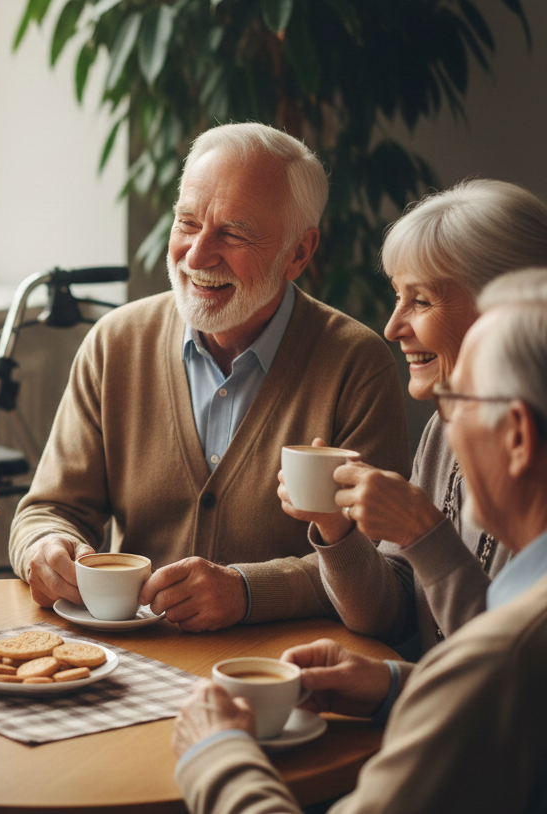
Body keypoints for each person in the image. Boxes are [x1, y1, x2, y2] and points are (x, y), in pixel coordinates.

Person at [173, 268, 547, 814]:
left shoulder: (504, 650)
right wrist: (395, 684)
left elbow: (495, 676)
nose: (445, 425)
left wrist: (215, 755)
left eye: (457, 400)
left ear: (516, 437)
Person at [9, 122, 410, 631]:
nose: (196, 256)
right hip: (135, 658)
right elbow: (47, 509)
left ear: (298, 253)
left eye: (233, 233)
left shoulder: (357, 365)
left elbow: (379, 569)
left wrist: (248, 591)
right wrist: (44, 547)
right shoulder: (115, 343)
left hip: (281, 664)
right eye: (187, 223)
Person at [278, 179, 547, 654]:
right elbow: (396, 613)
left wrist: (423, 532)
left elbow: (515, 672)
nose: (391, 327)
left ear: (506, 310)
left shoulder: (531, 453)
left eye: (420, 301)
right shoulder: (444, 428)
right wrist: (337, 529)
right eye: (397, 296)